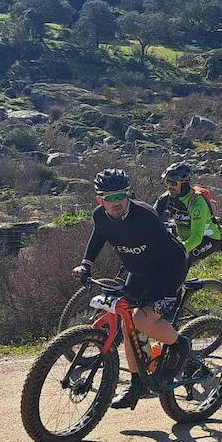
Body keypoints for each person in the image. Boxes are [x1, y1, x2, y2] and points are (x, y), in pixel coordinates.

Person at [74, 168, 190, 408]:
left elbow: (166, 256)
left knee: (142, 320)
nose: (115, 202)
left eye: (120, 196)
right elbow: (98, 236)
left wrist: (156, 296)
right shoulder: (100, 216)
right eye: (109, 197)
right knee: (128, 325)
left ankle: (181, 346)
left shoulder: (145, 216)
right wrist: (86, 264)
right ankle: (137, 385)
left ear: (128, 195)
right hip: (139, 272)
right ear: (100, 200)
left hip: (168, 270)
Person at [153, 161, 222, 263]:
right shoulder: (166, 197)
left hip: (207, 239)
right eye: (167, 182)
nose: (169, 187)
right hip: (185, 238)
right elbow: (151, 217)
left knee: (180, 261)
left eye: (173, 183)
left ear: (184, 184)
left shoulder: (197, 202)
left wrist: (178, 249)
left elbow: (197, 236)